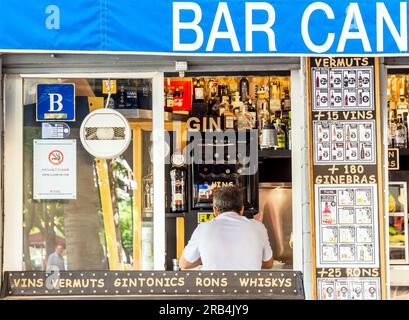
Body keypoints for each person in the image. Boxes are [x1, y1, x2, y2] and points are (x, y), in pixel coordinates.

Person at [179, 186, 273, 270]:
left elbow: (184, 264)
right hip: (248, 288)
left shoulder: (203, 228)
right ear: (242, 209)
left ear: (215, 210)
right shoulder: (258, 227)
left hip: (214, 288)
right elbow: (268, 263)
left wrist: (206, 257)